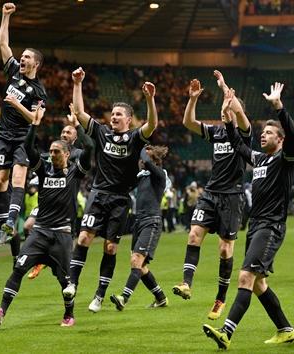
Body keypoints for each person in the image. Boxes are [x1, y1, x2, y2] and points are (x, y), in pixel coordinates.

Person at [203, 83, 294, 349]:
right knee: (258, 285)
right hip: (256, 226)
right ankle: (285, 329)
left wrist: (278, 107)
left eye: (269, 133)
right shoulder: (259, 159)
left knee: (245, 278)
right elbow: (236, 144)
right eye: (263, 132)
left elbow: (292, 132)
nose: (263, 135)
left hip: (271, 226)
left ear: (280, 140)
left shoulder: (285, 159)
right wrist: (230, 119)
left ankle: (226, 332)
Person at [0, 103, 92, 328]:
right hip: (40, 232)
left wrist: (78, 126)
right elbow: (28, 147)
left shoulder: (75, 171)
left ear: (66, 154)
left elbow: (90, 147)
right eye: (51, 151)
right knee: (18, 269)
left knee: (66, 283)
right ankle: (1, 310)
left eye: (56, 151)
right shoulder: (43, 170)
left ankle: (68, 315)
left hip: (62, 235)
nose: (52, 154)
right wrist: (34, 124)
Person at [63, 67, 157, 313]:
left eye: (118, 114)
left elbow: (152, 125)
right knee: (83, 238)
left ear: (128, 119)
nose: (113, 117)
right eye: (112, 114)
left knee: (110, 248)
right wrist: (77, 83)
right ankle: (72, 283)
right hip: (98, 194)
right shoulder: (102, 132)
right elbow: (81, 113)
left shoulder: (136, 138)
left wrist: (149, 100)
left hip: (120, 200)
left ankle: (100, 295)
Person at [173, 72, 251, 321]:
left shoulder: (244, 134)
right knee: (194, 234)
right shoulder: (217, 132)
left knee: (225, 251)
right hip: (210, 194)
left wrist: (226, 90)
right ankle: (186, 283)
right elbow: (189, 122)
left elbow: (238, 112)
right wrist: (193, 99)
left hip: (232, 197)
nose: (224, 108)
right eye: (223, 106)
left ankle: (220, 299)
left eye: (228, 105)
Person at [0, 2, 48, 244]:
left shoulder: (39, 91)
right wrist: (5, 16)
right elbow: (3, 44)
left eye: (26, 57)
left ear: (35, 63)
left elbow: (36, 119)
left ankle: (10, 223)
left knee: (17, 179)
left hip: (23, 138)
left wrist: (16, 105)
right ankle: (4, 222)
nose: (21, 59)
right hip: (3, 135)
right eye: (22, 56)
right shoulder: (14, 72)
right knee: (0, 181)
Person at [25, 103, 93, 280]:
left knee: (63, 242)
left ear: (76, 137)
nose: (64, 134)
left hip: (65, 199)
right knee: (28, 226)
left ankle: (60, 266)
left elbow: (86, 156)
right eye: (63, 132)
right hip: (47, 198)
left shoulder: (77, 153)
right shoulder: (53, 151)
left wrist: (77, 122)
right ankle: (40, 258)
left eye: (68, 132)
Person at [110, 145, 169, 311]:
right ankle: (160, 298)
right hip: (139, 222)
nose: (141, 161)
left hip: (152, 221)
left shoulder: (159, 174)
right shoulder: (142, 177)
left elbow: (147, 161)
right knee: (140, 266)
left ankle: (124, 298)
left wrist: (141, 145)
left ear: (154, 160)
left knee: (136, 260)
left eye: (145, 159)